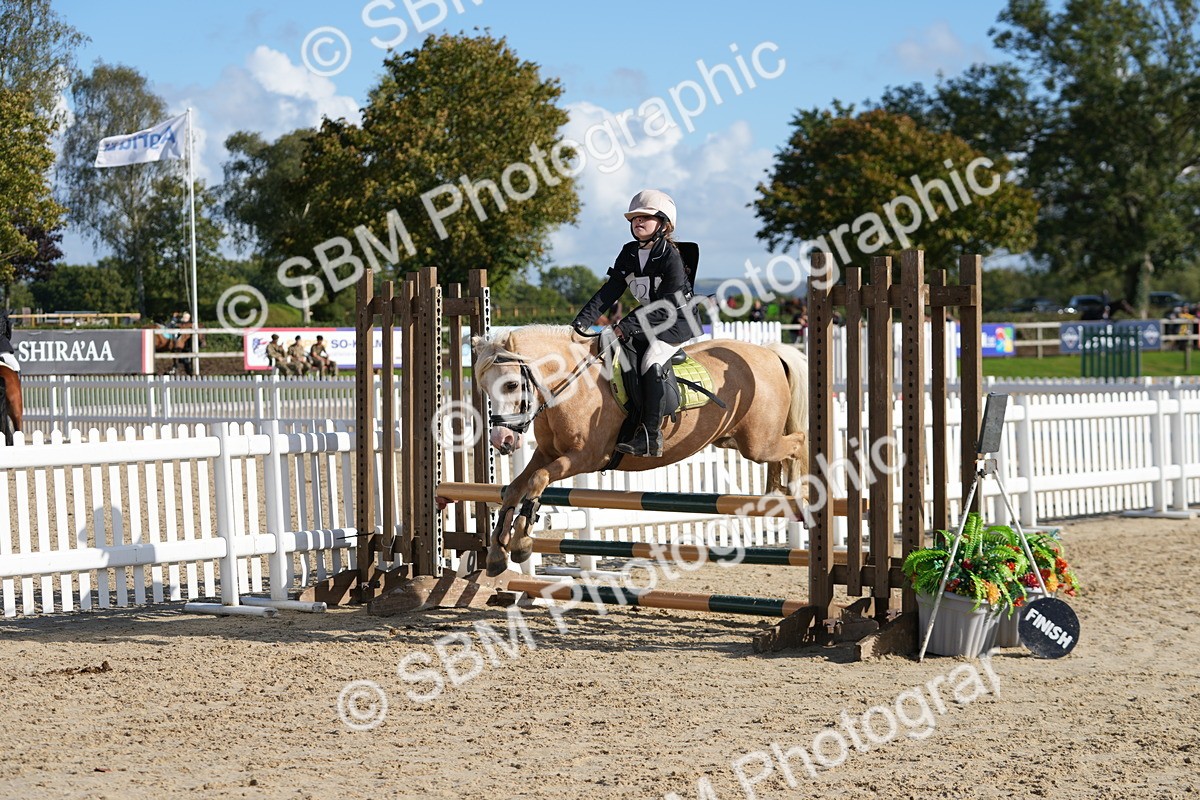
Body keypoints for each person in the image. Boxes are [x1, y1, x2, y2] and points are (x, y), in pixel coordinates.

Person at [571, 189, 696, 458]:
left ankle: (651, 436)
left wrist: (625, 326)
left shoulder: (671, 256)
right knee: (615, 353)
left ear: (664, 224)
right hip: (648, 318)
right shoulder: (629, 253)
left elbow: (666, 307)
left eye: (646, 217)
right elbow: (610, 291)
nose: (638, 221)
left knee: (651, 361)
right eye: (635, 218)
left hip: (675, 321)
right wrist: (579, 323)